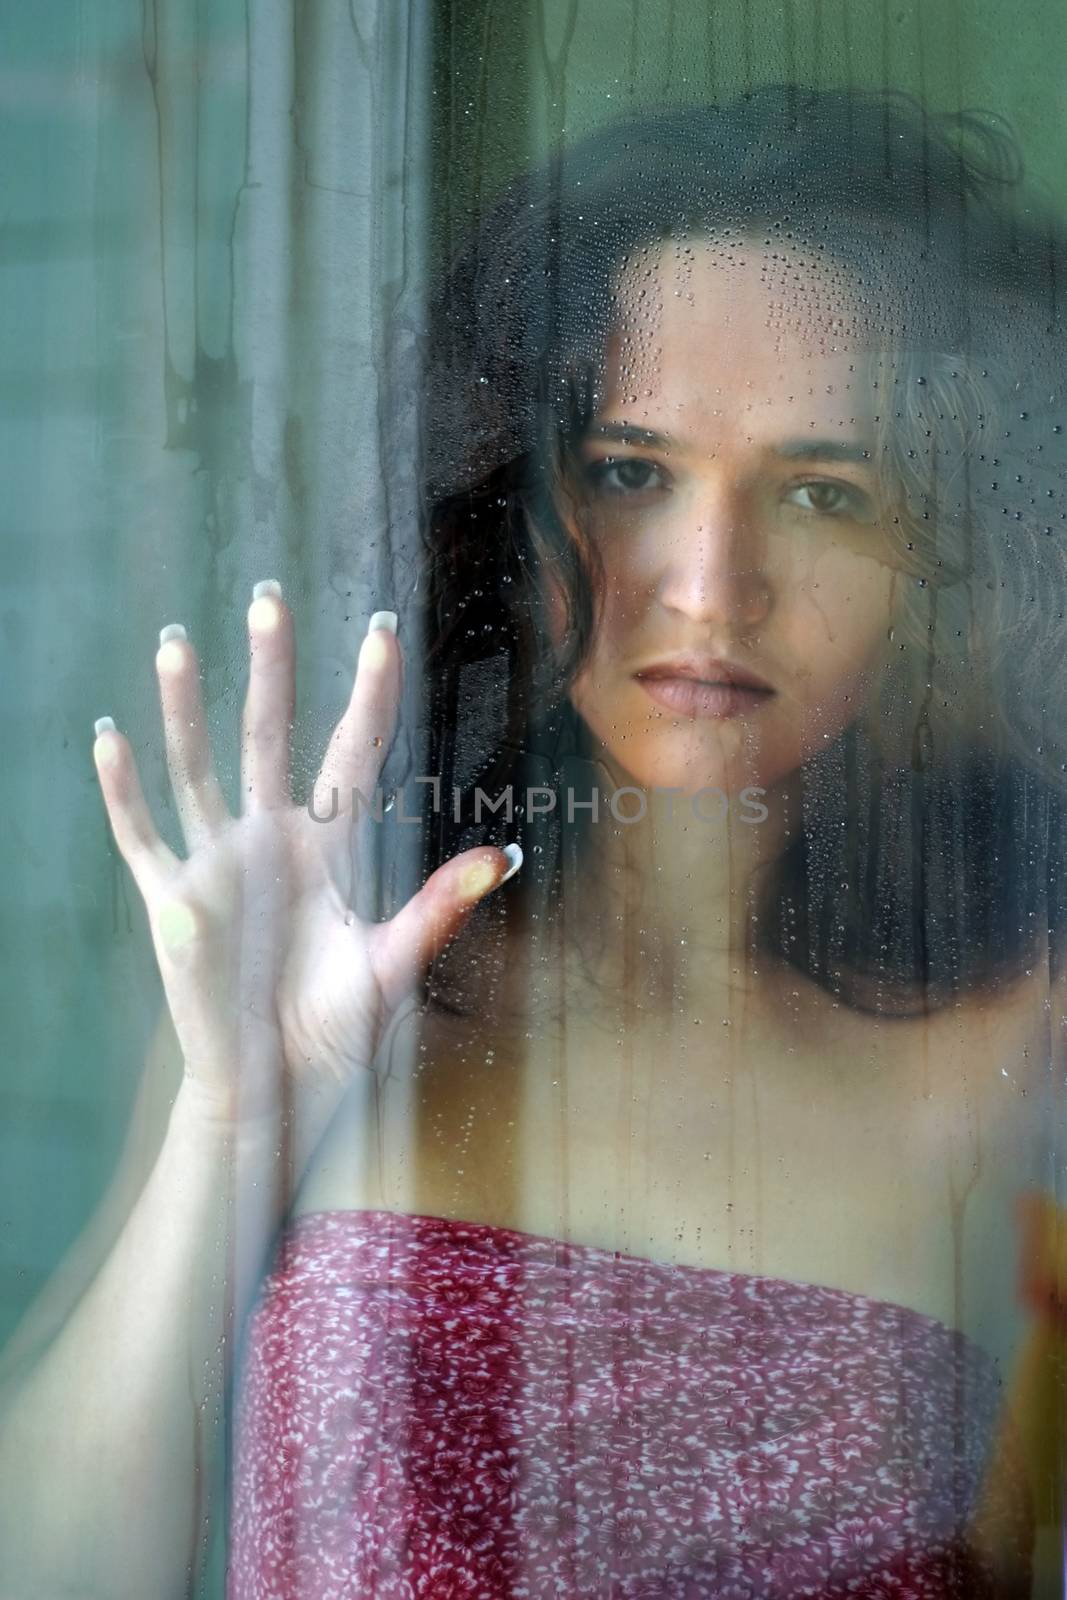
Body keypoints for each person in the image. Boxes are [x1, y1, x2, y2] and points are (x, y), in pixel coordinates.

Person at [1, 83, 1066, 1599]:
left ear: (936, 554)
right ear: (517, 496)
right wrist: (235, 1122)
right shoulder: (334, 976)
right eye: (630, 473)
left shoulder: (1013, 1040)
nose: (712, 583)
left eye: (823, 492)